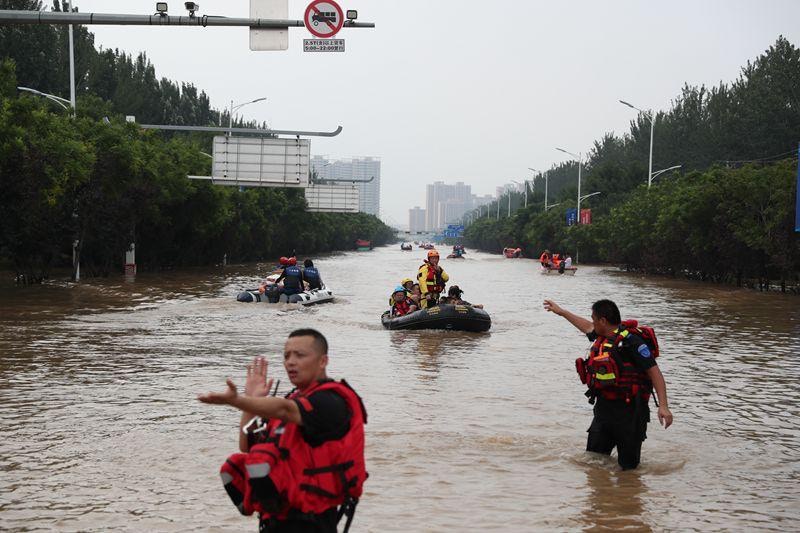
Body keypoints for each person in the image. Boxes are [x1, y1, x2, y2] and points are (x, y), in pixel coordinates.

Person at [198, 329, 367, 532]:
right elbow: (247, 446)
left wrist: (237, 401)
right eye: (287, 356)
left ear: (323, 361)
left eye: (300, 355)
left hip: (312, 523)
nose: (290, 362)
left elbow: (284, 409)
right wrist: (251, 401)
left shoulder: (331, 402)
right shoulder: (294, 400)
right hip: (277, 520)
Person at [542, 299, 673, 470]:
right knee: (593, 462)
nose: (592, 323)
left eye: (594, 319)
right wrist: (562, 312)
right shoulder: (601, 336)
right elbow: (586, 326)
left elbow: (655, 373)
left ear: (603, 321)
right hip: (604, 410)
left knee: (629, 470)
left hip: (631, 413)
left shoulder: (632, 342)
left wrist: (663, 406)